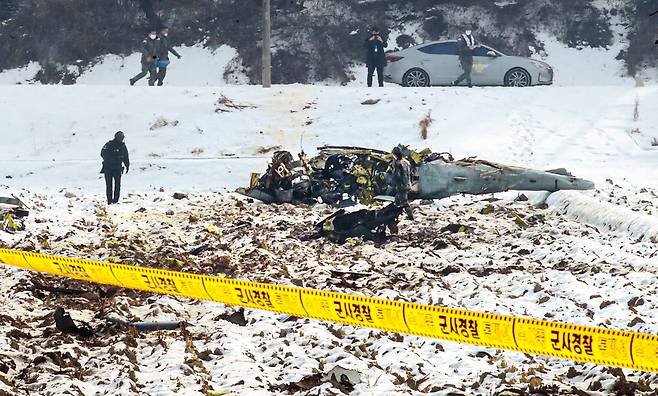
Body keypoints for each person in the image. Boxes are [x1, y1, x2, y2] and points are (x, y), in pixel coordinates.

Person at [100, 131, 130, 205]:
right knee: (109, 185)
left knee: (117, 184)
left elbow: (126, 156)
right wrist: (111, 160)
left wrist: (127, 165)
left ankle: (116, 200)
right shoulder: (109, 144)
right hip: (108, 168)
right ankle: (109, 200)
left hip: (117, 168)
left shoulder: (123, 146)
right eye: (120, 137)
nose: (121, 139)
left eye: (122, 138)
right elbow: (103, 153)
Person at [391, 146, 414, 220]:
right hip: (408, 183)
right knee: (397, 200)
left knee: (404, 201)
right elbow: (411, 173)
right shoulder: (406, 162)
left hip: (401, 185)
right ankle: (394, 215)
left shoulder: (398, 163)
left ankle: (410, 216)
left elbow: (397, 175)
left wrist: (393, 183)